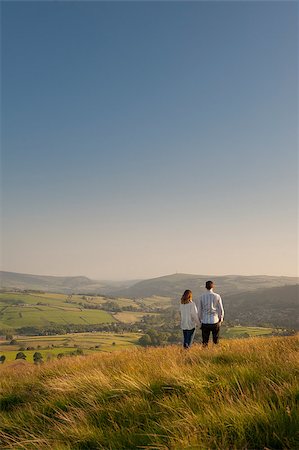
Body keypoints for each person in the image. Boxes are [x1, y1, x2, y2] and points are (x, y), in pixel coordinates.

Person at [195, 280, 224, 346]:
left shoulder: (201, 297)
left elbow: (199, 310)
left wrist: (199, 321)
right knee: (216, 341)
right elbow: (221, 309)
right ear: (213, 287)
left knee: (205, 341)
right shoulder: (217, 296)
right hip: (215, 320)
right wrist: (220, 319)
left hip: (205, 321)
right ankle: (215, 353)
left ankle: (205, 354)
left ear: (205, 287)